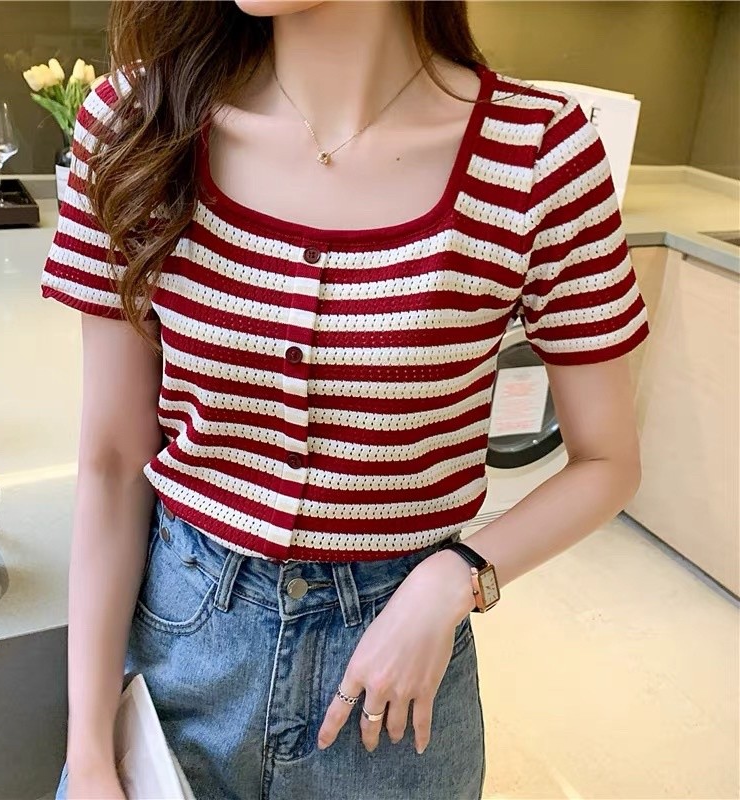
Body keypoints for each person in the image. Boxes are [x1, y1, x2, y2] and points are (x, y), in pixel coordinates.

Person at [41, 1, 651, 798]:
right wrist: (89, 751)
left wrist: (458, 576)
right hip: (177, 660)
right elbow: (113, 462)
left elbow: (609, 461)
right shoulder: (138, 125)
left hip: (393, 697)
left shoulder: (537, 154)